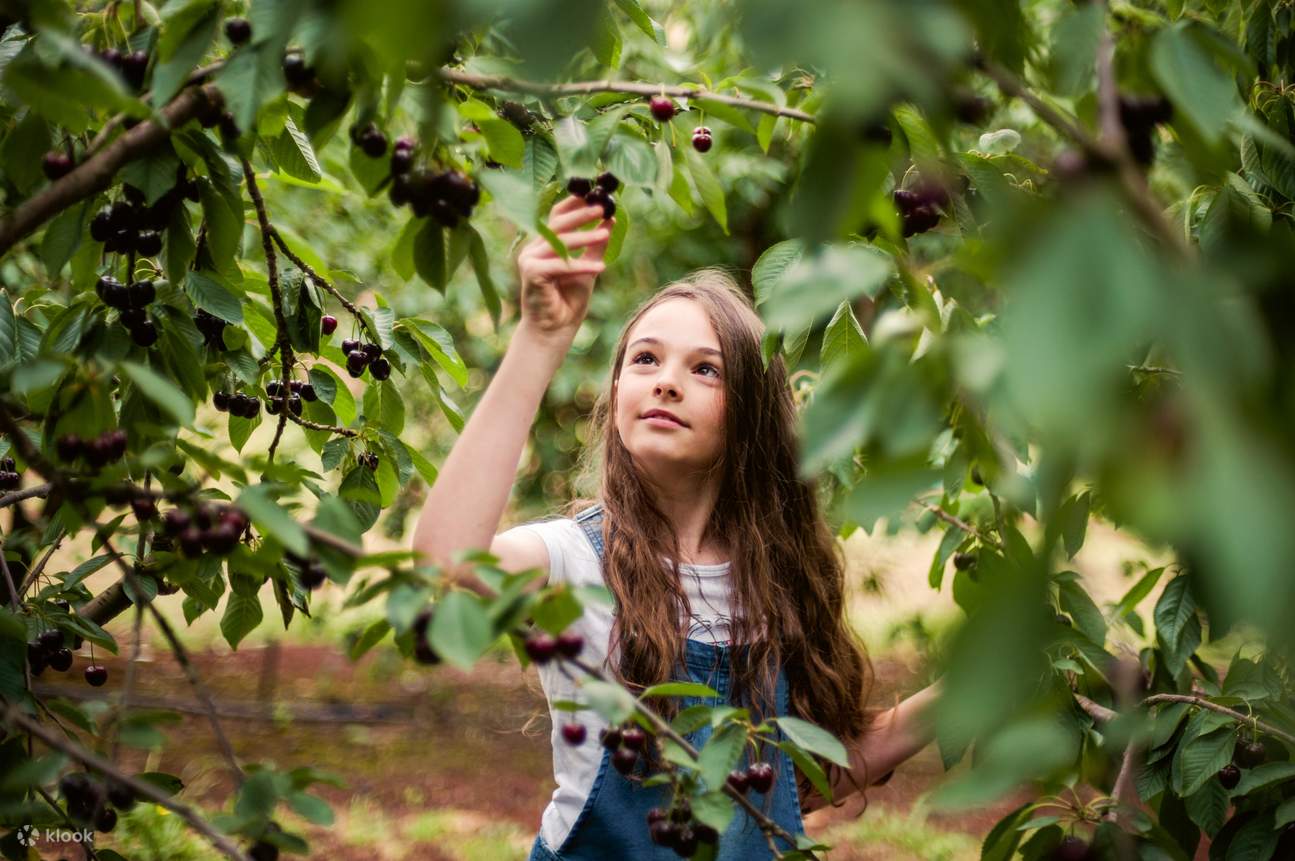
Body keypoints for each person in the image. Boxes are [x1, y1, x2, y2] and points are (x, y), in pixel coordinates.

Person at [412, 194, 940, 860]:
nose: (666, 382)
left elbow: (794, 784)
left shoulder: (779, 578)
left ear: (749, 414)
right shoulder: (575, 562)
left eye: (705, 369)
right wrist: (539, 338)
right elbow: (444, 560)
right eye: (645, 359)